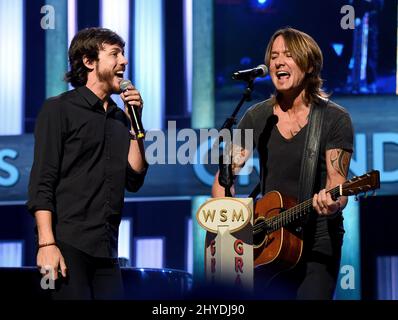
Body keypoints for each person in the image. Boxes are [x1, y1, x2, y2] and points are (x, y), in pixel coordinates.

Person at [212, 27, 354, 300]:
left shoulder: (335, 118)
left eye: (288, 55)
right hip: (269, 239)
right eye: (274, 56)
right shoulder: (256, 116)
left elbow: (338, 182)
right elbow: (224, 178)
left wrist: (332, 201)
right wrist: (230, 232)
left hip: (318, 237)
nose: (278, 62)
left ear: (309, 65)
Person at [27, 27, 148, 300]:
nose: (124, 62)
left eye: (124, 54)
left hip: (107, 250)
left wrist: (135, 124)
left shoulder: (120, 118)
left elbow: (135, 178)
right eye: (115, 54)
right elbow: (42, 182)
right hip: (67, 246)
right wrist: (47, 243)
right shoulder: (58, 109)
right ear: (89, 61)